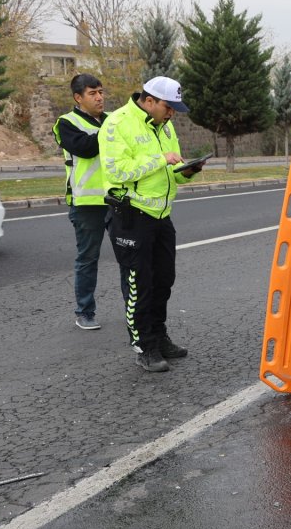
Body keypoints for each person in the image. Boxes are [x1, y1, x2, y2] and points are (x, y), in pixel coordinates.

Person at [99, 76, 204, 372]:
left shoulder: (164, 126)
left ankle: (159, 337)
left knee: (163, 281)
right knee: (139, 286)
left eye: (174, 109)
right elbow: (116, 170)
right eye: (168, 107)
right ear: (148, 101)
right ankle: (144, 346)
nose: (172, 114)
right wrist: (161, 159)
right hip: (131, 216)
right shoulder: (117, 124)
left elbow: (172, 173)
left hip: (160, 216)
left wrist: (189, 171)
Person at [53, 73, 109, 331]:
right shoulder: (66, 123)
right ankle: (85, 312)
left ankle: (136, 310)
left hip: (117, 200)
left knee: (129, 259)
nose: (99, 97)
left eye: (101, 92)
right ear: (78, 98)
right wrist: (112, 132)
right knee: (88, 258)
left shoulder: (111, 121)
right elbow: (85, 147)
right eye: (92, 93)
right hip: (86, 203)